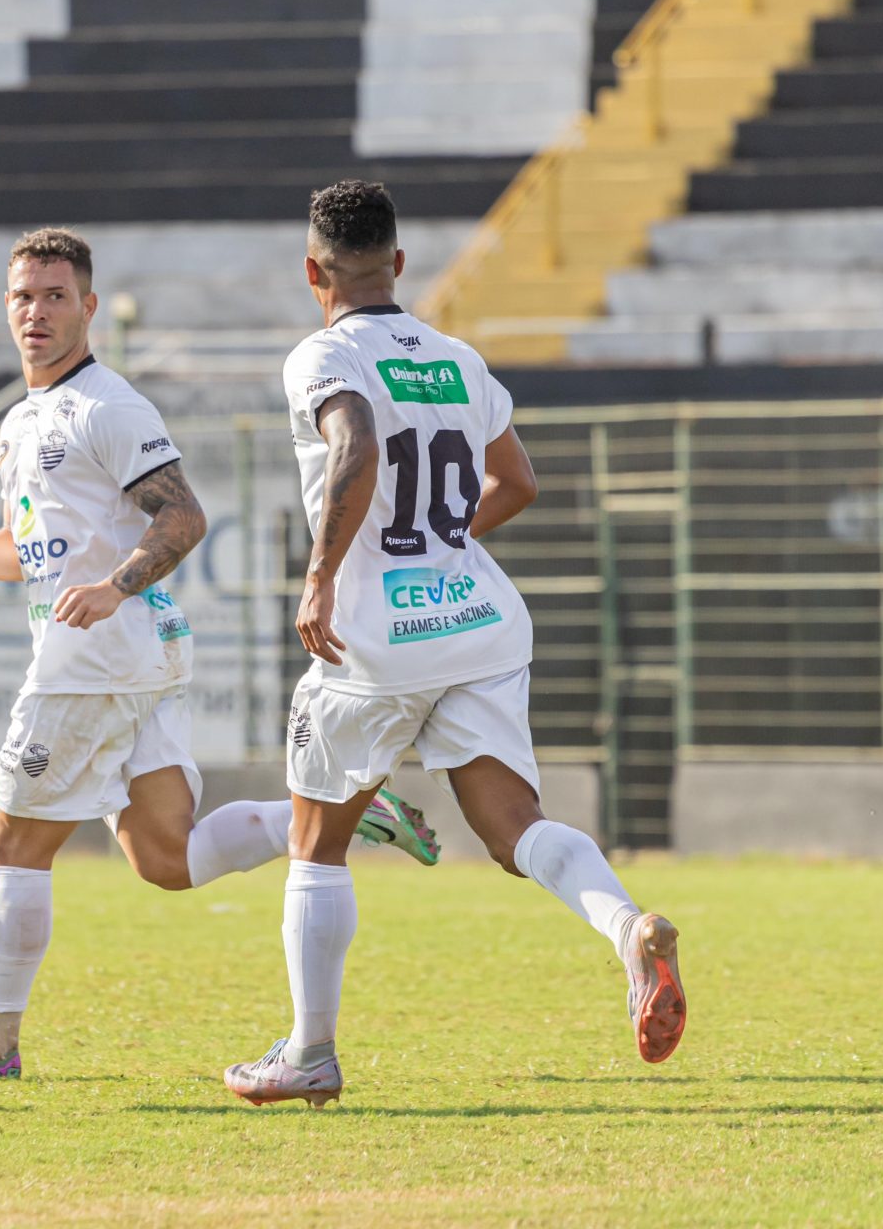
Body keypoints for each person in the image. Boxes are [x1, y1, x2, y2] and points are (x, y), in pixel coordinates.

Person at [0, 228, 440, 1084]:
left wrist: (114, 587)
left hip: (94, 662)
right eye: (24, 297)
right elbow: (32, 554)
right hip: (134, 655)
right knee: (165, 858)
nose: (37, 312)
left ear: (89, 308)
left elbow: (183, 516)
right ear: (6, 306)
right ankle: (340, 810)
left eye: (56, 296)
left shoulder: (106, 407)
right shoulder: (20, 421)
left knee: (12, 844)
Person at [223, 181, 686, 1108]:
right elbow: (518, 482)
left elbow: (355, 445)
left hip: (375, 640)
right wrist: (439, 548)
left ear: (313, 271)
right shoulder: (459, 359)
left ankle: (310, 1052)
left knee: (316, 844)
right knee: (515, 829)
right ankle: (628, 932)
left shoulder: (323, 354)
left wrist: (321, 575)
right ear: (398, 263)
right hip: (476, 620)